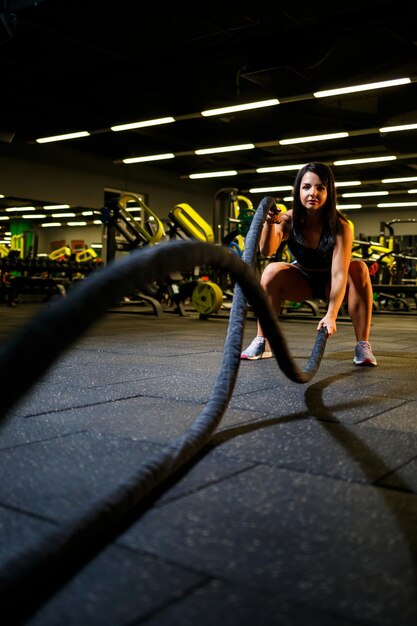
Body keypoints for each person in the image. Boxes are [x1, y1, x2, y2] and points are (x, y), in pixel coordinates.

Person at [241, 161, 377, 366]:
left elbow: (340, 273)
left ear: (329, 192)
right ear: (298, 191)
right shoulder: (288, 218)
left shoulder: (340, 226)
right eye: (306, 187)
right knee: (271, 270)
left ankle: (363, 345)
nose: (312, 193)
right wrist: (270, 222)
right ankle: (263, 341)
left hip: (332, 281)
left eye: (320, 187)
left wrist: (331, 315)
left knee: (359, 268)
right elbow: (267, 250)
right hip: (302, 280)